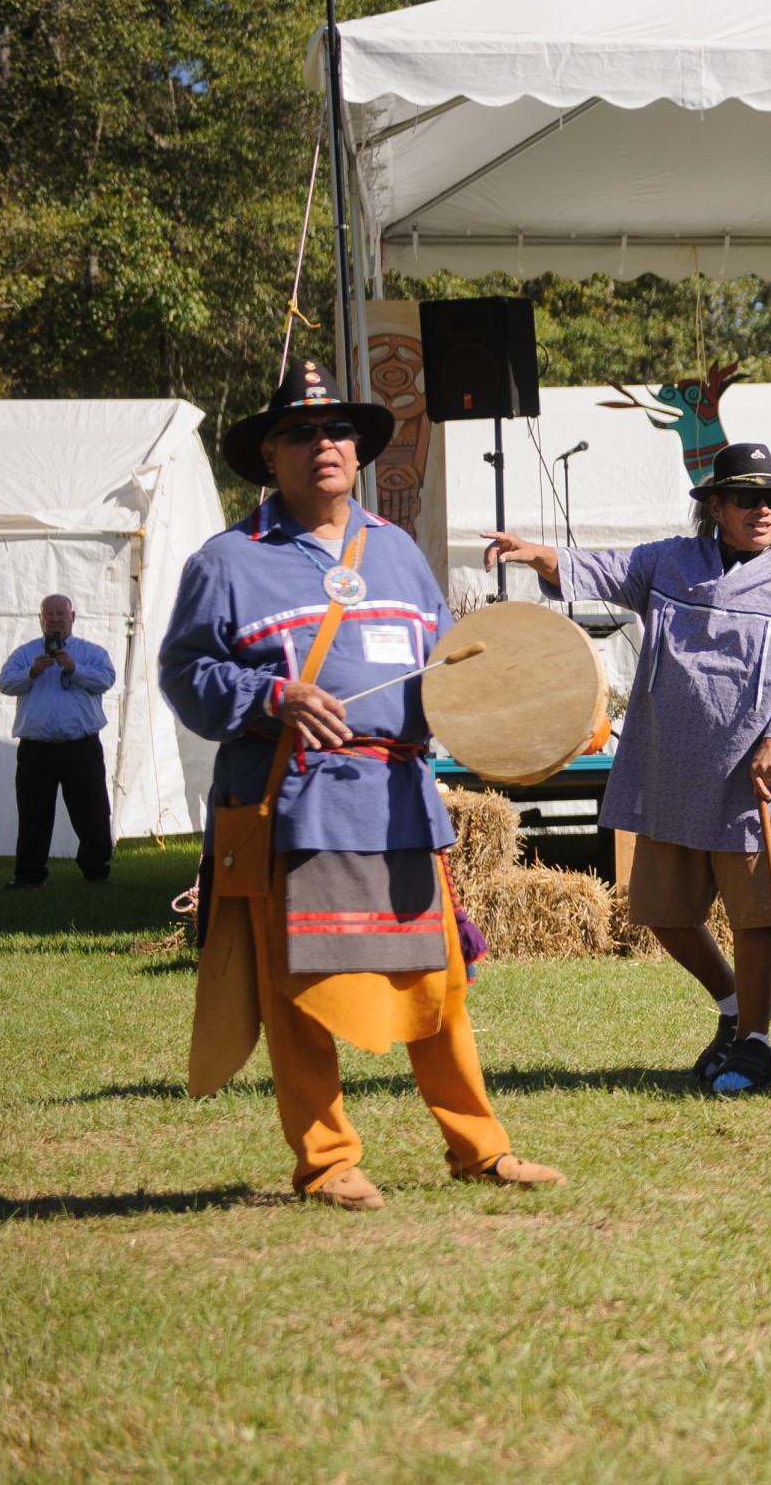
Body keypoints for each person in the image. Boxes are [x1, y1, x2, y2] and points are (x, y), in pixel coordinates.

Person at [161, 361, 561, 1211]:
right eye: (301, 433)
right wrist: (272, 694)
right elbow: (184, 675)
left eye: (337, 430)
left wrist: (513, 713)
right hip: (297, 802)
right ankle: (328, 1160)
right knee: (301, 985)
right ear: (270, 454)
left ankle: (480, 1149)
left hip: (400, 801)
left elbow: (451, 668)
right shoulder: (227, 561)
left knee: (437, 979)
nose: (324, 445)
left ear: (358, 450)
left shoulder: (398, 553)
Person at [483, 441, 771, 1096]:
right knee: (662, 910)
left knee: (760, 917)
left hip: (752, 774)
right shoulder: (671, 561)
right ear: (714, 505)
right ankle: (735, 1006)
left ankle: (755, 1043)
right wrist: (537, 554)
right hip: (671, 769)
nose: (764, 509)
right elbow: (603, 567)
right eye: (747, 497)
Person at [0, 594, 117, 890]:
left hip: (80, 746)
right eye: (48, 614)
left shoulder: (91, 652)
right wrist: (32, 672)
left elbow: (106, 680)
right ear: (40, 620)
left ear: (72, 617)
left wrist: (74, 668)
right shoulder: (25, 655)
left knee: (92, 811)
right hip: (36, 748)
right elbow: (4, 683)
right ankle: (29, 876)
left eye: (60, 613)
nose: (54, 618)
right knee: (33, 812)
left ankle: (96, 872)